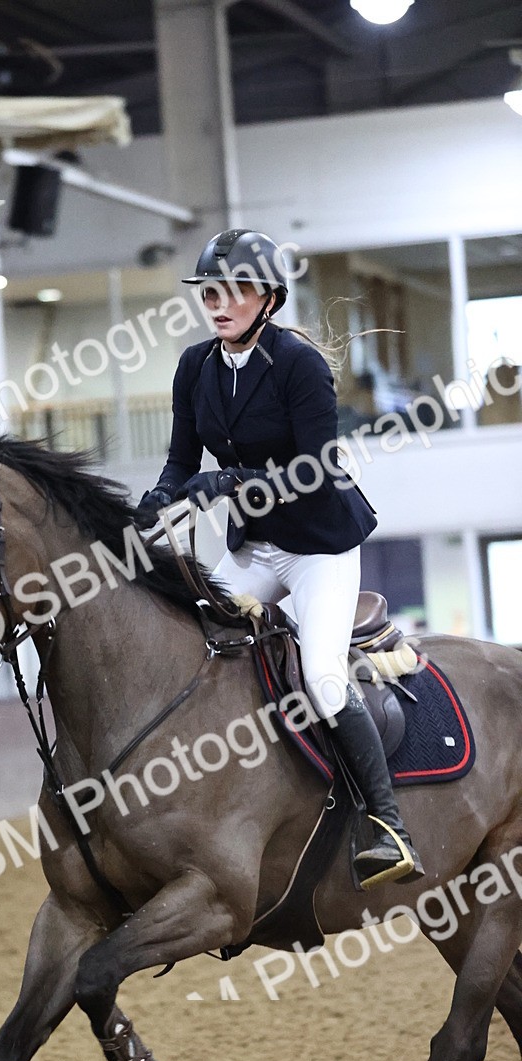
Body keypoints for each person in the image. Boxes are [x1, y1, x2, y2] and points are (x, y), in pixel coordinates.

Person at [135, 228, 424, 888]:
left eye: (235, 290)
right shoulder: (195, 368)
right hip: (257, 549)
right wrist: (158, 498)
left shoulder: (297, 364)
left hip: (319, 548)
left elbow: (318, 468)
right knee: (202, 651)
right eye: (211, 291)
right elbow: (183, 459)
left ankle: (386, 824)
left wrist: (232, 483)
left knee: (321, 678)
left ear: (268, 297)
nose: (219, 302)